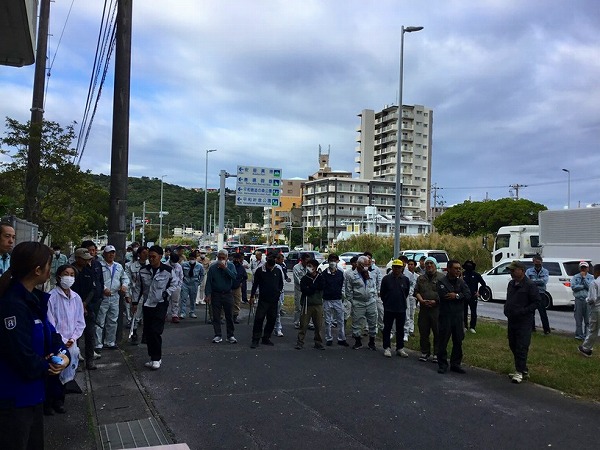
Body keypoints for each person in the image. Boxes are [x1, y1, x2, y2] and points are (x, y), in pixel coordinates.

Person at [0, 242, 70, 450]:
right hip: (14, 400)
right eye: (48, 265)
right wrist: (48, 366)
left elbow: (51, 335)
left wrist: (63, 355)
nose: (50, 269)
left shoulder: (34, 300)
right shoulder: (12, 305)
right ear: (37, 270)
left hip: (35, 395)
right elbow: (21, 355)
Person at [46, 264, 85, 414]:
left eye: (72, 275)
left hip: (71, 342)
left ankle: (60, 401)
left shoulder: (76, 298)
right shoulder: (51, 297)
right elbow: (50, 322)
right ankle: (49, 403)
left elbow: (80, 321)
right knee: (54, 371)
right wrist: (61, 339)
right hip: (56, 342)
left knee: (66, 372)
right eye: (66, 274)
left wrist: (73, 338)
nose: (69, 277)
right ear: (59, 276)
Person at [131, 245, 177, 370]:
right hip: (147, 304)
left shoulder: (168, 270)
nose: (151, 259)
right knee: (148, 332)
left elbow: (175, 283)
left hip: (160, 304)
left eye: (153, 257)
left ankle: (157, 358)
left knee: (156, 331)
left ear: (160, 257)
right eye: (149, 257)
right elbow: (138, 288)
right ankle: (152, 357)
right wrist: (134, 303)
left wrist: (166, 293)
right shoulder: (143, 271)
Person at [504, 260, 541, 383]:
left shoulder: (530, 285)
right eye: (510, 270)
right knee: (513, 344)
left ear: (522, 271)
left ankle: (519, 371)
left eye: (513, 270)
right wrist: (507, 309)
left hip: (524, 320)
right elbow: (509, 299)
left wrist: (524, 311)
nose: (511, 272)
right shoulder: (511, 284)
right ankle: (523, 369)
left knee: (522, 345)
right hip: (512, 319)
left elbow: (536, 302)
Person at [436, 260, 471, 374]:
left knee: (458, 341)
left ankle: (455, 364)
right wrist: (459, 295)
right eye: (455, 268)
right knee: (443, 341)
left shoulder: (461, 282)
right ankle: (442, 364)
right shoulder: (441, 282)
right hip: (445, 316)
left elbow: (468, 295)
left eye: (459, 269)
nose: (458, 271)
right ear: (449, 269)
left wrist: (456, 295)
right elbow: (444, 295)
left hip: (458, 317)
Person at [95, 245, 130, 352]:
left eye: (113, 252)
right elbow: (96, 280)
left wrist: (124, 285)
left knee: (113, 320)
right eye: (109, 252)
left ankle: (110, 341)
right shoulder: (99, 266)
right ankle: (98, 344)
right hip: (103, 297)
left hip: (115, 296)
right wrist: (104, 288)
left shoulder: (118, 266)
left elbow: (125, 278)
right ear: (104, 254)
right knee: (100, 321)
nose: (111, 255)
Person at [71, 248, 100, 369]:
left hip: (88, 307)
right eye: (84, 259)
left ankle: (90, 360)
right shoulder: (70, 271)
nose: (87, 261)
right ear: (77, 258)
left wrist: (85, 304)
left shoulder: (89, 271)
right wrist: (79, 305)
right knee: (73, 337)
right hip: (72, 308)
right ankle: (74, 362)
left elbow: (93, 289)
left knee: (90, 334)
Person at [250, 254, 284, 348]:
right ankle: (255, 339)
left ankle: (266, 338)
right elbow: (255, 284)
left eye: (272, 266)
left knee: (272, 319)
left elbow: (281, 283)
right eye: (269, 266)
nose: (270, 268)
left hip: (274, 299)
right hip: (263, 299)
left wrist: (278, 292)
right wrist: (252, 296)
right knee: (259, 319)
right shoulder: (260, 271)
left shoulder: (277, 270)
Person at [345, 255, 378, 350]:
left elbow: (374, 286)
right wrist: (352, 301)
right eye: (365, 265)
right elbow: (348, 290)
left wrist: (373, 296)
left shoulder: (370, 274)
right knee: (357, 322)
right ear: (359, 264)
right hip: (358, 302)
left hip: (370, 301)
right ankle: (358, 341)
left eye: (368, 264)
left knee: (373, 322)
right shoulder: (351, 275)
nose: (366, 266)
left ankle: (372, 342)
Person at [414, 257, 443, 363]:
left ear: (435, 265)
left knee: (437, 331)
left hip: (437, 309)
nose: (429, 265)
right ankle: (425, 352)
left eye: (431, 263)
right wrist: (421, 300)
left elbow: (444, 293)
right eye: (427, 263)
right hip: (424, 309)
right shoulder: (421, 278)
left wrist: (436, 301)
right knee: (423, 331)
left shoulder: (442, 277)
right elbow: (416, 291)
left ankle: (437, 353)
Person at [205, 249, 237, 344]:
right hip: (216, 294)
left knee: (229, 315)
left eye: (223, 258)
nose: (221, 259)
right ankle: (217, 335)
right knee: (216, 316)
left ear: (227, 258)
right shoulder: (213, 268)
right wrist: (208, 294)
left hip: (227, 293)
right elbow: (209, 282)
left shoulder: (231, 266)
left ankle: (230, 335)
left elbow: (234, 276)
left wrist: (225, 268)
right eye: (219, 258)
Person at [380, 260, 410, 358]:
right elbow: (382, 293)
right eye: (395, 267)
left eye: (398, 267)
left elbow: (406, 292)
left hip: (401, 308)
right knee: (387, 328)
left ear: (402, 268)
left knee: (400, 329)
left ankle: (400, 348)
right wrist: (386, 302)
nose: (396, 269)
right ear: (392, 268)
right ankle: (387, 347)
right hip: (389, 308)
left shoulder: (405, 279)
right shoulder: (386, 279)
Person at [81, 240, 104, 359]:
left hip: (95, 299)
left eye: (93, 250)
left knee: (92, 326)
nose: (91, 252)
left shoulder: (97, 264)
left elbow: (100, 281)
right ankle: (77, 351)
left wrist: (101, 295)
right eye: (89, 250)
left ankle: (91, 350)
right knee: (80, 327)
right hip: (83, 301)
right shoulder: (79, 267)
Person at [295, 258, 326, 350]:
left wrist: (311, 287)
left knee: (318, 325)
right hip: (306, 304)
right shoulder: (305, 278)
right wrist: (313, 288)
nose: (308, 267)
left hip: (317, 304)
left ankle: (318, 342)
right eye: (307, 265)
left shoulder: (320, 277)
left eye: (310, 266)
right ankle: (300, 342)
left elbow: (322, 286)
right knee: (303, 324)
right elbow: (305, 290)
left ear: (315, 267)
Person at [321, 253, 348, 347]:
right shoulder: (324, 274)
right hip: (327, 299)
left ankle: (341, 338)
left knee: (340, 320)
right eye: (331, 260)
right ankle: (329, 338)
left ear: (337, 261)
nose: (332, 262)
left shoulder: (340, 273)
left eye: (334, 260)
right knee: (328, 320)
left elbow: (343, 285)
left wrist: (343, 294)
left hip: (338, 299)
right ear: (328, 262)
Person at [124, 246, 148, 341]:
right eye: (144, 253)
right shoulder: (131, 266)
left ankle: (146, 334)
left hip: (149, 293)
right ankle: (134, 332)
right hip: (136, 293)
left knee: (148, 315)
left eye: (147, 253)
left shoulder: (150, 265)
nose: (146, 255)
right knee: (135, 315)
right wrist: (127, 294)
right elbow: (127, 281)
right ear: (139, 254)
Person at [525, 255, 551, 334]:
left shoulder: (545, 271)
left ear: (541, 262)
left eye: (539, 263)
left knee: (543, 313)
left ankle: (546, 330)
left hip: (541, 294)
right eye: (536, 263)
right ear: (533, 262)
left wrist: (532, 281)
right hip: (531, 294)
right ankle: (532, 329)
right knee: (531, 312)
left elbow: (544, 281)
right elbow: (527, 281)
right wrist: (537, 281)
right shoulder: (529, 271)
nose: (537, 265)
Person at [578, 264, 600, 357]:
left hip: (596, 308)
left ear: (597, 272)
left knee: (593, 330)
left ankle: (586, 348)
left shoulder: (594, 283)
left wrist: (587, 300)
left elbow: (592, 299)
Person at [462, 260, 487, 334]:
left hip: (473, 296)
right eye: (467, 265)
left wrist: (479, 293)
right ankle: (465, 326)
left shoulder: (476, 275)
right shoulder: (462, 274)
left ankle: (472, 327)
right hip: (464, 296)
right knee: (464, 312)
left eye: (470, 265)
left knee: (473, 312)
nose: (469, 266)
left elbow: (483, 284)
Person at [571, 261, 594, 340]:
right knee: (578, 319)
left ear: (588, 268)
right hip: (578, 299)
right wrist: (582, 286)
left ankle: (587, 335)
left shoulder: (591, 277)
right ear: (580, 268)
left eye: (585, 267)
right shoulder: (575, 277)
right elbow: (573, 287)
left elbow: (590, 287)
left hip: (587, 300)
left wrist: (584, 278)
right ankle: (578, 335)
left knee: (588, 319)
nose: (583, 269)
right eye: (582, 268)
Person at [180, 251, 204, 321]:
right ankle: (183, 312)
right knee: (183, 298)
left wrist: (199, 282)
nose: (192, 260)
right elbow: (181, 273)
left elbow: (202, 274)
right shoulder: (184, 265)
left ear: (195, 259)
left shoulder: (199, 266)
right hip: (185, 283)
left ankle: (192, 312)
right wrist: (181, 281)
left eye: (193, 259)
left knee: (193, 299)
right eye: (190, 258)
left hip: (194, 283)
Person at [273, 253, 290, 336]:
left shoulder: (280, 267)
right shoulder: (264, 267)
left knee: (277, 312)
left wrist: (281, 289)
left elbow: (282, 279)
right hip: (269, 293)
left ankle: (278, 328)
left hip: (278, 292)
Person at [293, 253, 310, 329]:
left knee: (308, 306)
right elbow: (297, 280)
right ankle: (297, 322)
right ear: (302, 260)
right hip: (299, 289)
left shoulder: (309, 267)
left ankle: (307, 322)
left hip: (308, 289)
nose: (308, 262)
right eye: (306, 261)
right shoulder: (296, 267)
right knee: (299, 307)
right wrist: (304, 286)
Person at [403, 258, 418, 342]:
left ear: (415, 266)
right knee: (406, 313)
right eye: (409, 264)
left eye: (412, 264)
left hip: (412, 296)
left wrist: (413, 294)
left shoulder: (416, 276)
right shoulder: (405, 274)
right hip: (405, 295)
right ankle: (404, 329)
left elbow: (414, 286)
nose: (410, 266)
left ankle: (411, 329)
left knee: (411, 313)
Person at [165, 253, 183, 321]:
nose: (174, 263)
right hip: (167, 286)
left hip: (176, 286)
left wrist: (179, 286)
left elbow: (181, 276)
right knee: (166, 301)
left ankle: (174, 315)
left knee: (175, 301)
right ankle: (164, 314)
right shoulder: (165, 265)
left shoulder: (178, 266)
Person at [231, 253, 247, 324]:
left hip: (237, 287)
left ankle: (235, 317)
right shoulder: (230, 265)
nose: (236, 260)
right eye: (235, 259)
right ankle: (225, 316)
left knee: (237, 302)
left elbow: (245, 277)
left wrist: (241, 282)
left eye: (238, 259)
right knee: (227, 302)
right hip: (229, 286)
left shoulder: (241, 268)